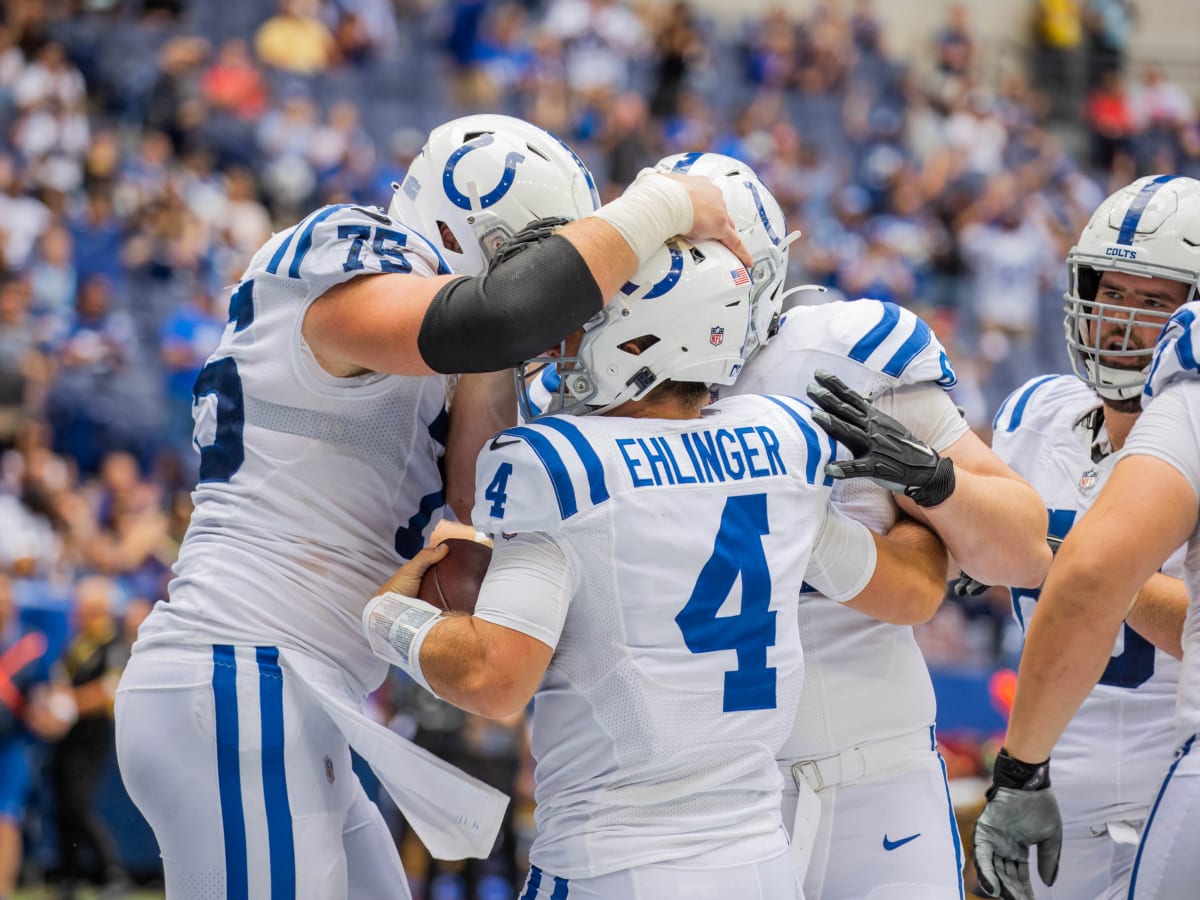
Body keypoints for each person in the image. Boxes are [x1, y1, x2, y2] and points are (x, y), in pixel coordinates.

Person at [114, 112, 751, 900]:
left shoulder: (435, 356)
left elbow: (478, 498)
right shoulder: (342, 248)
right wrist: (660, 204)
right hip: (239, 672)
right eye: (530, 259)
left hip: (298, 691)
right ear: (467, 225)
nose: (550, 294)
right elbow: (494, 313)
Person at [363, 235, 951, 900]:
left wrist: (387, 617)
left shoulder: (558, 461)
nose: (560, 341)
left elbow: (493, 680)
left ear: (641, 341)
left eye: (584, 322)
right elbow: (914, 588)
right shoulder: (780, 440)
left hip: (613, 866)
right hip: (760, 863)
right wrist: (934, 503)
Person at [676, 153, 1052, 899]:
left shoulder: (837, 355)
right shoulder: (596, 391)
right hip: (705, 790)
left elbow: (1025, 550)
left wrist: (935, 482)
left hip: (875, 773)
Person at [972, 175, 1200, 900]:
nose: (1120, 322)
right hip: (1049, 767)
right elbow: (967, 564)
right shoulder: (1033, 413)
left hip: (1168, 773)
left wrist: (1065, 562)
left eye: (1153, 302)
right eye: (1111, 293)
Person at [52, 576, 131, 900]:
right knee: (63, 803)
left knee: (78, 802)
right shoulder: (80, 643)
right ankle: (69, 875)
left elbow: (107, 690)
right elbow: (61, 679)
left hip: (93, 732)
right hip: (68, 732)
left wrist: (68, 704)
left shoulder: (113, 645)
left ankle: (113, 871)